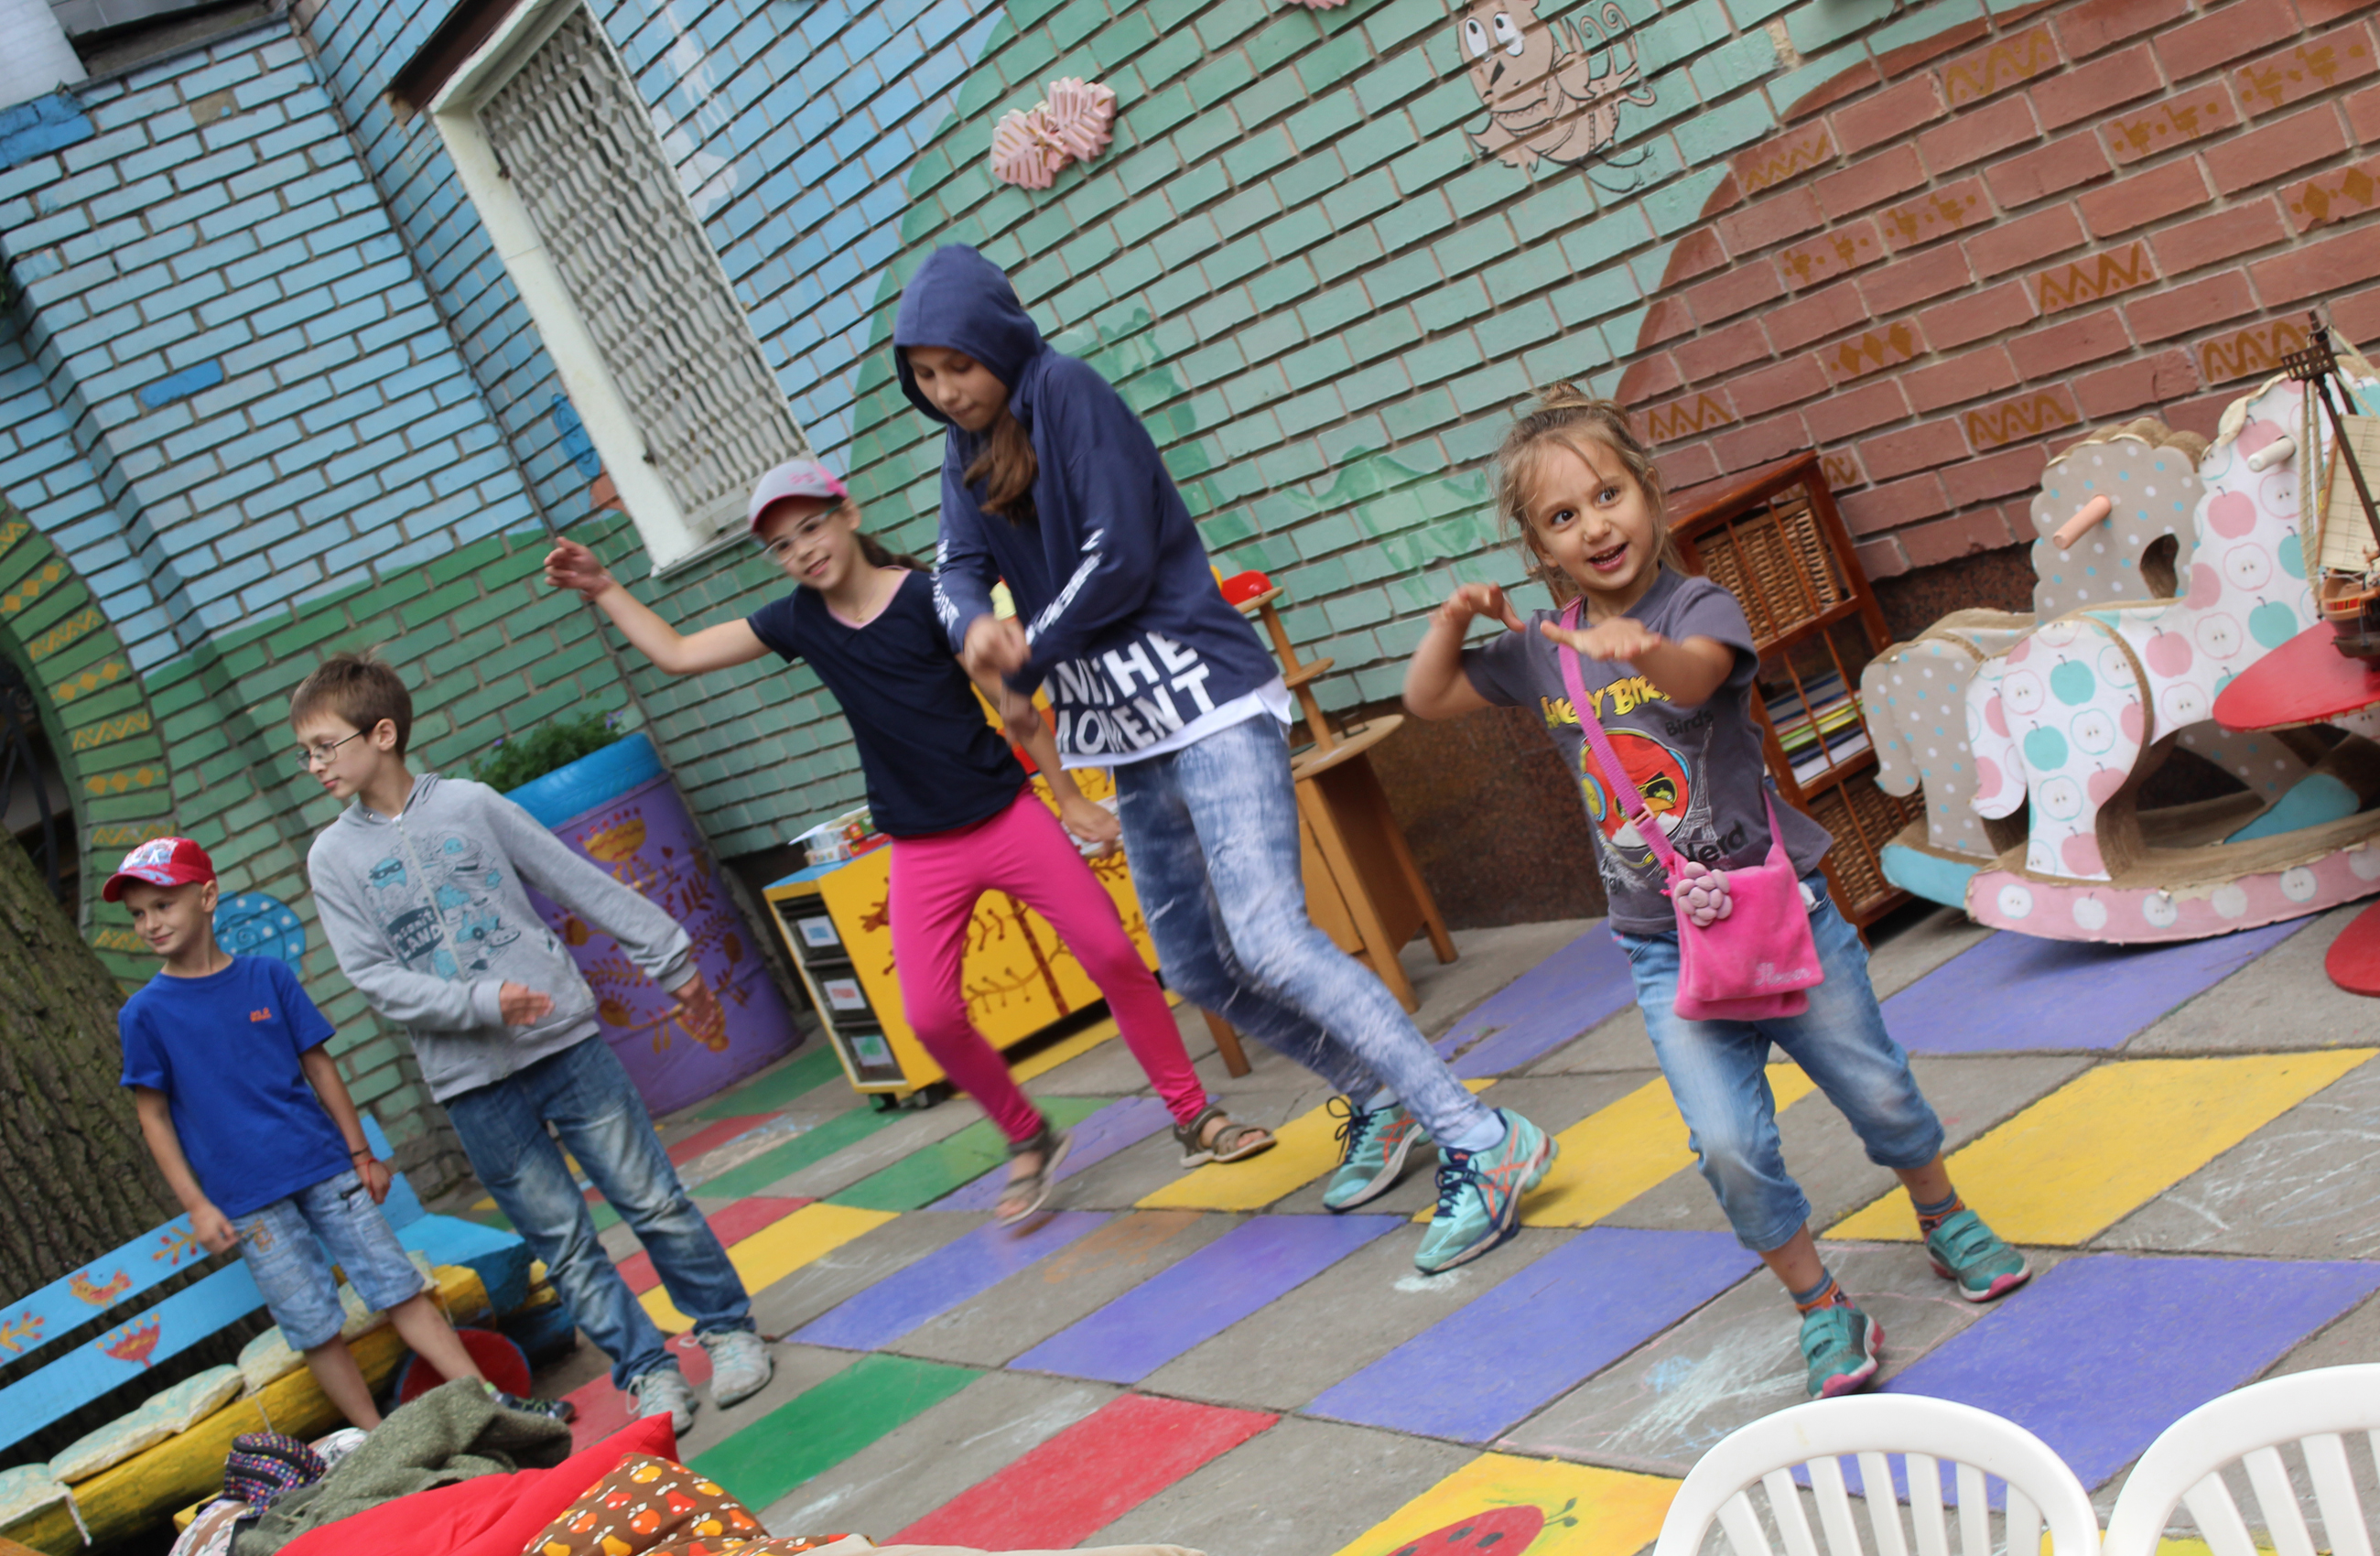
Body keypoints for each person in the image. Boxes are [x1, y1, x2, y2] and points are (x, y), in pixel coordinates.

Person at [893, 243, 1553, 1274]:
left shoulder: (1067, 391)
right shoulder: (964, 447)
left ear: (998, 341)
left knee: (1271, 939)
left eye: (958, 366)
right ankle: (1379, 1097)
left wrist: (1026, 650)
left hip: (1205, 700)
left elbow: (1117, 554)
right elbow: (954, 566)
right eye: (926, 376)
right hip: (1130, 732)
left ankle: (1477, 1134)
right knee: (1200, 962)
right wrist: (971, 620)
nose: (946, 391)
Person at [1401, 385, 2030, 1395]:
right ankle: (1819, 1303)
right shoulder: (1541, 649)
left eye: (1608, 494)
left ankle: (1940, 1209)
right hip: (1664, 945)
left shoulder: (1696, 607)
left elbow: (1694, 678)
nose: (1594, 525)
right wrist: (1450, 621)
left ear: (1647, 491)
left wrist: (1640, 648)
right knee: (1728, 1144)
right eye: (1562, 515)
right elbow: (1427, 697)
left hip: (1781, 912)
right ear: (1538, 545)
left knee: (1874, 1087)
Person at [544, 458, 1274, 1223]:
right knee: (928, 1017)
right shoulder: (798, 620)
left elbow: (1012, 705)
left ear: (848, 515)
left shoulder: (930, 598)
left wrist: (1066, 799)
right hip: (923, 849)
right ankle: (1028, 1134)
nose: (803, 551)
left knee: (1116, 958)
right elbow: (678, 653)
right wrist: (605, 587)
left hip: (1006, 816)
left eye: (812, 527)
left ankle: (1194, 1115)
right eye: (783, 545)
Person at [293, 654, 765, 1433]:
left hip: (566, 1048)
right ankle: (647, 1372)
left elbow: (576, 880)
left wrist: (669, 958)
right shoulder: (331, 858)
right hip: (471, 1086)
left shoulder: (471, 805)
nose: (314, 766)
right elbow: (373, 978)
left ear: (381, 735)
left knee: (653, 1200)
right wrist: (482, 1002)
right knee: (564, 1244)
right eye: (305, 753)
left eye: (324, 747)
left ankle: (727, 1329)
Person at [111, 836, 569, 1429]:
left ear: (207, 896)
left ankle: (489, 1403)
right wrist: (198, 1205)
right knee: (313, 1324)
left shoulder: (268, 977)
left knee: (398, 1287)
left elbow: (319, 1067)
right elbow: (152, 1116)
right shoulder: (143, 1014)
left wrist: (361, 1153)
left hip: (326, 1167)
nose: (150, 924)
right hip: (248, 1201)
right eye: (138, 914)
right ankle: (378, 1441)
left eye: (162, 905)